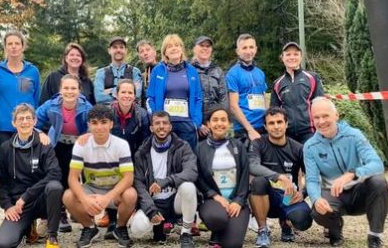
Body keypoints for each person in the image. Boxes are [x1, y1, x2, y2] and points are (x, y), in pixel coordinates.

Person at [304, 97, 388, 248]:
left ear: (336, 115)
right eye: (316, 117)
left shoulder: (354, 135)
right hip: (333, 195)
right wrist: (316, 199)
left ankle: (374, 237)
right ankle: (335, 231)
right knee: (317, 211)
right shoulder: (310, 146)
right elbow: (311, 180)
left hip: (359, 192)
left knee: (379, 181)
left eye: (325, 116)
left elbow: (377, 164)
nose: (321, 121)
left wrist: (352, 173)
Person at [63, 105, 137, 248]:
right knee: (68, 196)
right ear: (89, 125)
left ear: (111, 124)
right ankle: (90, 228)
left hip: (115, 191)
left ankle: (120, 228)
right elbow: (72, 178)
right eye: (94, 123)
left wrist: (107, 198)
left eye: (103, 122)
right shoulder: (81, 144)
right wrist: (85, 200)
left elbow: (128, 178)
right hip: (92, 188)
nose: (99, 127)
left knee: (131, 194)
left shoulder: (121, 145)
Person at [0, 104, 63, 248]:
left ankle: (52, 236)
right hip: (19, 206)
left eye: (28, 118)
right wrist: (7, 206)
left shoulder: (44, 145)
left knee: (55, 187)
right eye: (20, 119)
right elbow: (2, 181)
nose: (25, 122)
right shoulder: (6, 148)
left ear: (34, 121)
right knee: (3, 244)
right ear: (14, 123)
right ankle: (27, 226)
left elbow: (55, 173)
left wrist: (26, 196)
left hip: (41, 199)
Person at [129, 111, 198, 247]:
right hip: (155, 202)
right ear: (151, 128)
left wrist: (167, 181)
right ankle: (159, 226)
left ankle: (186, 233)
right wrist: (150, 210)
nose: (161, 126)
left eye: (165, 123)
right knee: (137, 229)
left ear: (170, 127)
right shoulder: (142, 153)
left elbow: (191, 172)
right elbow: (139, 184)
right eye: (157, 123)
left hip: (175, 201)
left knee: (188, 187)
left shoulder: (182, 146)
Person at [248, 107, 313, 248]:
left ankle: (286, 223)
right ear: (265, 126)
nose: (276, 126)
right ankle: (263, 230)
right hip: (267, 198)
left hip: (289, 198)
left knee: (303, 221)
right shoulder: (258, 143)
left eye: (279, 122)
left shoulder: (298, 148)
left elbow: (313, 175)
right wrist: (279, 177)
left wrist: (303, 193)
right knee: (258, 182)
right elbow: (252, 166)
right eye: (271, 123)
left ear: (286, 124)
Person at [36, 74, 92, 233]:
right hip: (58, 143)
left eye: (73, 88)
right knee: (59, 177)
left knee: (81, 178)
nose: (69, 91)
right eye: (66, 88)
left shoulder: (86, 106)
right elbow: (34, 120)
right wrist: (40, 133)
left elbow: (95, 123)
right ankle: (61, 214)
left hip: (79, 144)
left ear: (79, 90)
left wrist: (88, 134)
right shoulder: (51, 105)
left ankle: (83, 211)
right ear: (60, 90)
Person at [196, 107, 250, 248]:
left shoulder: (238, 146)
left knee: (233, 244)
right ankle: (217, 229)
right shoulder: (200, 148)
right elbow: (199, 178)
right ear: (208, 124)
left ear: (229, 124)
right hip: (213, 201)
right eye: (215, 120)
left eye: (223, 120)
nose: (219, 123)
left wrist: (238, 201)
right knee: (216, 218)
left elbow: (245, 175)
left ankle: (224, 232)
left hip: (236, 202)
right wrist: (214, 195)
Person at [146, 34, 203, 151]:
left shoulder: (191, 71)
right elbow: (150, 98)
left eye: (177, 45)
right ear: (165, 52)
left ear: (181, 49)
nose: (174, 48)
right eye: (169, 46)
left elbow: (198, 98)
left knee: (188, 160)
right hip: (164, 125)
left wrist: (196, 122)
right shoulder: (157, 71)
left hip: (187, 124)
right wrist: (156, 119)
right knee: (166, 162)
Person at [0, 31, 41, 149]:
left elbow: (36, 99)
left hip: (27, 126)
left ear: (23, 47)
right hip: (4, 128)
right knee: (6, 163)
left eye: (17, 43)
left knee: (26, 164)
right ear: (5, 47)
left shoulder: (33, 71)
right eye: (10, 43)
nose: (13, 46)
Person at [270, 42, 324, 143]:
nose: (292, 57)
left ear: (301, 57)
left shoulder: (312, 78)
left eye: (295, 54)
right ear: (282, 58)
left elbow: (321, 106)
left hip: (310, 133)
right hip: (287, 135)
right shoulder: (277, 83)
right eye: (288, 54)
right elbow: (274, 111)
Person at [226, 33, 267, 142]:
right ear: (238, 51)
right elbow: (233, 106)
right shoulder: (232, 74)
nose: (248, 51)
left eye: (251, 47)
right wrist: (250, 130)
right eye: (244, 48)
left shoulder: (260, 73)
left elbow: (264, 99)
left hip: (263, 127)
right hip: (244, 129)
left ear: (256, 49)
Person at [191, 36, 228, 140]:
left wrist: (218, 122)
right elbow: (187, 99)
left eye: (208, 46)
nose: (205, 48)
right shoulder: (189, 70)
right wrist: (197, 124)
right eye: (201, 45)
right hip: (194, 127)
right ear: (194, 49)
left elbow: (223, 99)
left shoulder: (218, 71)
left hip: (215, 125)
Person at [94, 37, 142, 105]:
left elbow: (137, 95)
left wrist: (109, 91)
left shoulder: (135, 72)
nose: (118, 50)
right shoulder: (101, 73)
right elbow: (99, 97)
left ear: (126, 50)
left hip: (131, 112)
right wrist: (127, 93)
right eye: (115, 47)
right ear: (109, 50)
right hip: (108, 113)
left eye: (121, 47)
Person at [136, 40, 158, 107]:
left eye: (148, 50)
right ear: (139, 57)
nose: (145, 53)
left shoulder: (165, 70)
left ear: (154, 52)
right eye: (141, 51)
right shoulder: (141, 76)